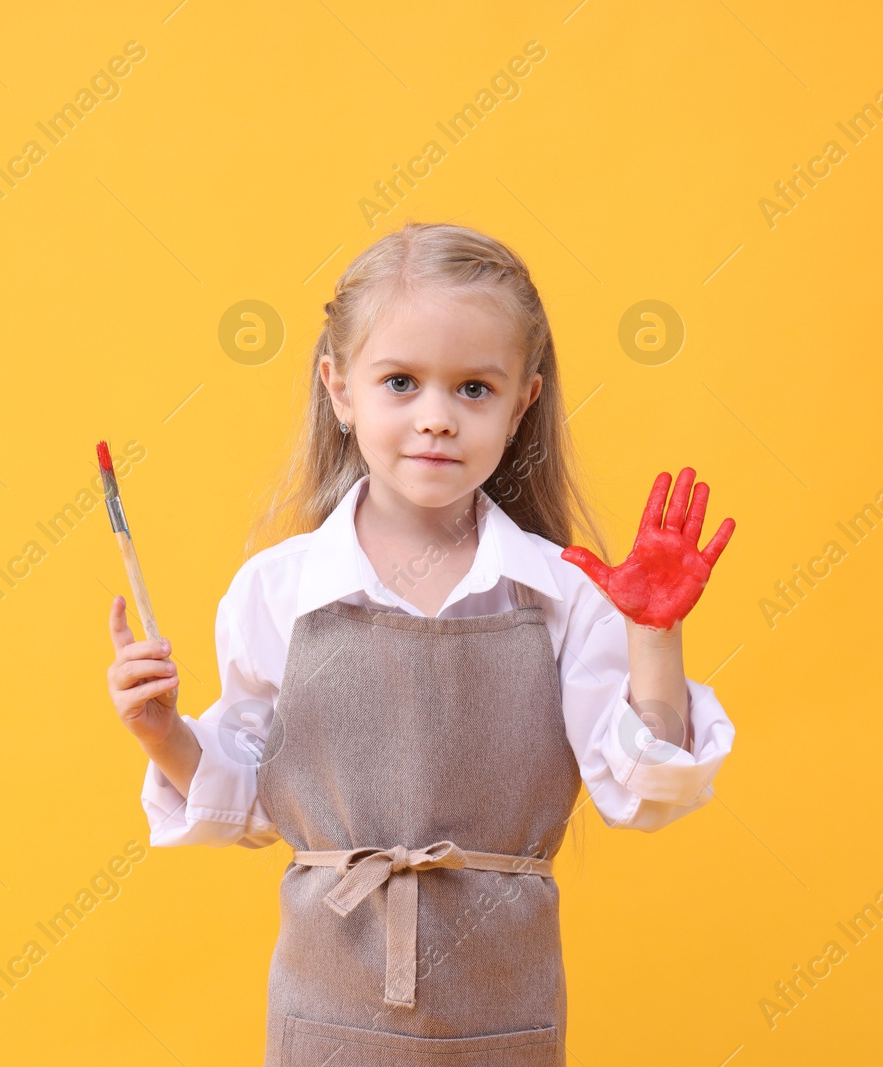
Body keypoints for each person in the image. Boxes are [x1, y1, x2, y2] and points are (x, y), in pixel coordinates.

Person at [106, 220, 737, 1065]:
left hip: (501, 1010)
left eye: (473, 388)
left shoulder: (559, 593)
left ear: (523, 403)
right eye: (401, 382)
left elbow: (643, 787)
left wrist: (653, 638)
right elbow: (251, 797)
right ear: (339, 388)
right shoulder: (278, 590)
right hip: (329, 1006)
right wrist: (163, 733)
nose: (436, 418)